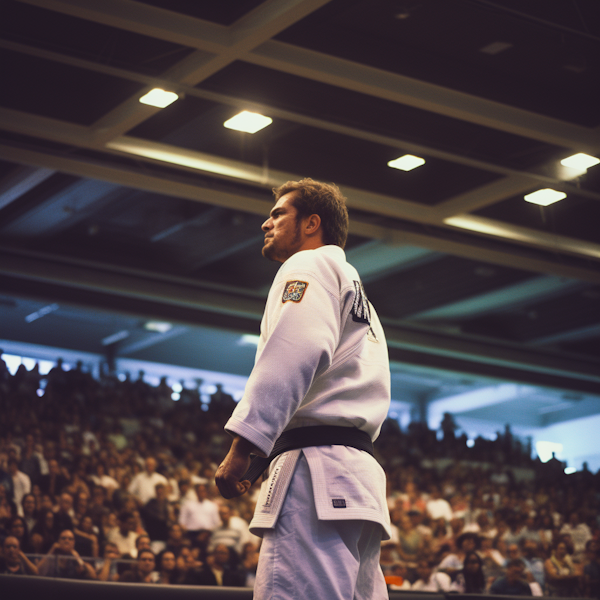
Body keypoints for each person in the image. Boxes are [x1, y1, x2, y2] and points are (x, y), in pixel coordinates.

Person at [215, 178, 391, 600]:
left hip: (315, 473)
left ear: (312, 223)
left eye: (279, 213)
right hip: (356, 473)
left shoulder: (306, 266)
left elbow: (295, 352)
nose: (266, 223)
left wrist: (243, 447)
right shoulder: (353, 288)